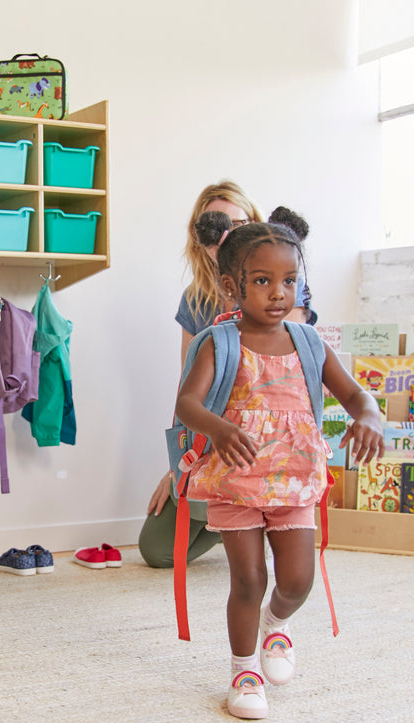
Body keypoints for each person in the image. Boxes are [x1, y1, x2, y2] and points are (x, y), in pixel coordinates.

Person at [174, 207, 384, 719]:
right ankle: (243, 669)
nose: (278, 293)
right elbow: (188, 403)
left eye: (289, 280)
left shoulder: (309, 343)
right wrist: (219, 428)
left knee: (296, 582)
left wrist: (371, 416)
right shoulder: (220, 342)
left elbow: (357, 397)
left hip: (293, 480)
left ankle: (276, 623)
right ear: (231, 285)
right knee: (247, 580)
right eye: (263, 280)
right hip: (237, 479)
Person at [139, 181, 316, 569]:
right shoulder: (196, 298)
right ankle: (236, 530)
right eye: (217, 227)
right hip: (216, 439)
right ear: (201, 240)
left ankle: (256, 528)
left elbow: (296, 360)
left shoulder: (284, 288)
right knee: (157, 549)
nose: (229, 234)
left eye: (239, 224)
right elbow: (189, 392)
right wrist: (177, 470)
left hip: (275, 438)